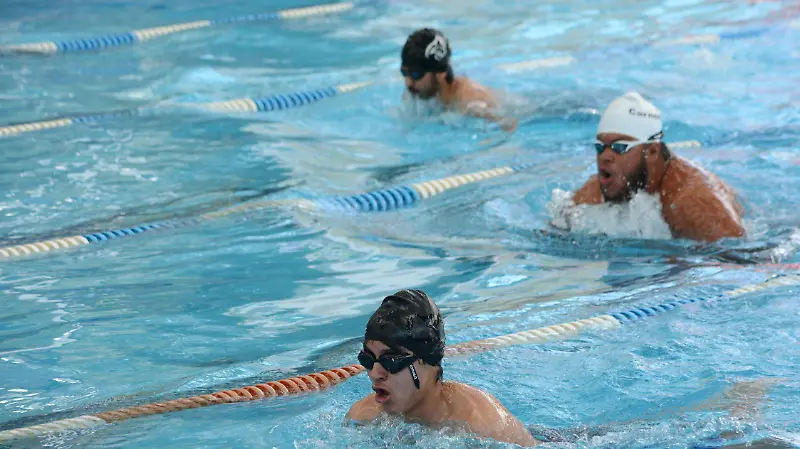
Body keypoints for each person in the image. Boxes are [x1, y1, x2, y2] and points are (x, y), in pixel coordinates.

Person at [345, 289, 538, 447]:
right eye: (368, 360)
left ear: (428, 360)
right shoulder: (362, 418)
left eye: (391, 361)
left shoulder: (484, 425)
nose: (375, 373)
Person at [571, 91, 746, 242]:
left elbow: (741, 262)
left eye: (620, 147)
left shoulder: (694, 202)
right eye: (600, 147)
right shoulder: (596, 191)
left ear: (653, 151)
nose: (605, 157)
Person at [400, 28, 518, 132]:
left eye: (416, 74)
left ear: (440, 73)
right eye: (404, 73)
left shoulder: (473, 101)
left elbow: (510, 126)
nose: (408, 83)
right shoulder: (416, 92)